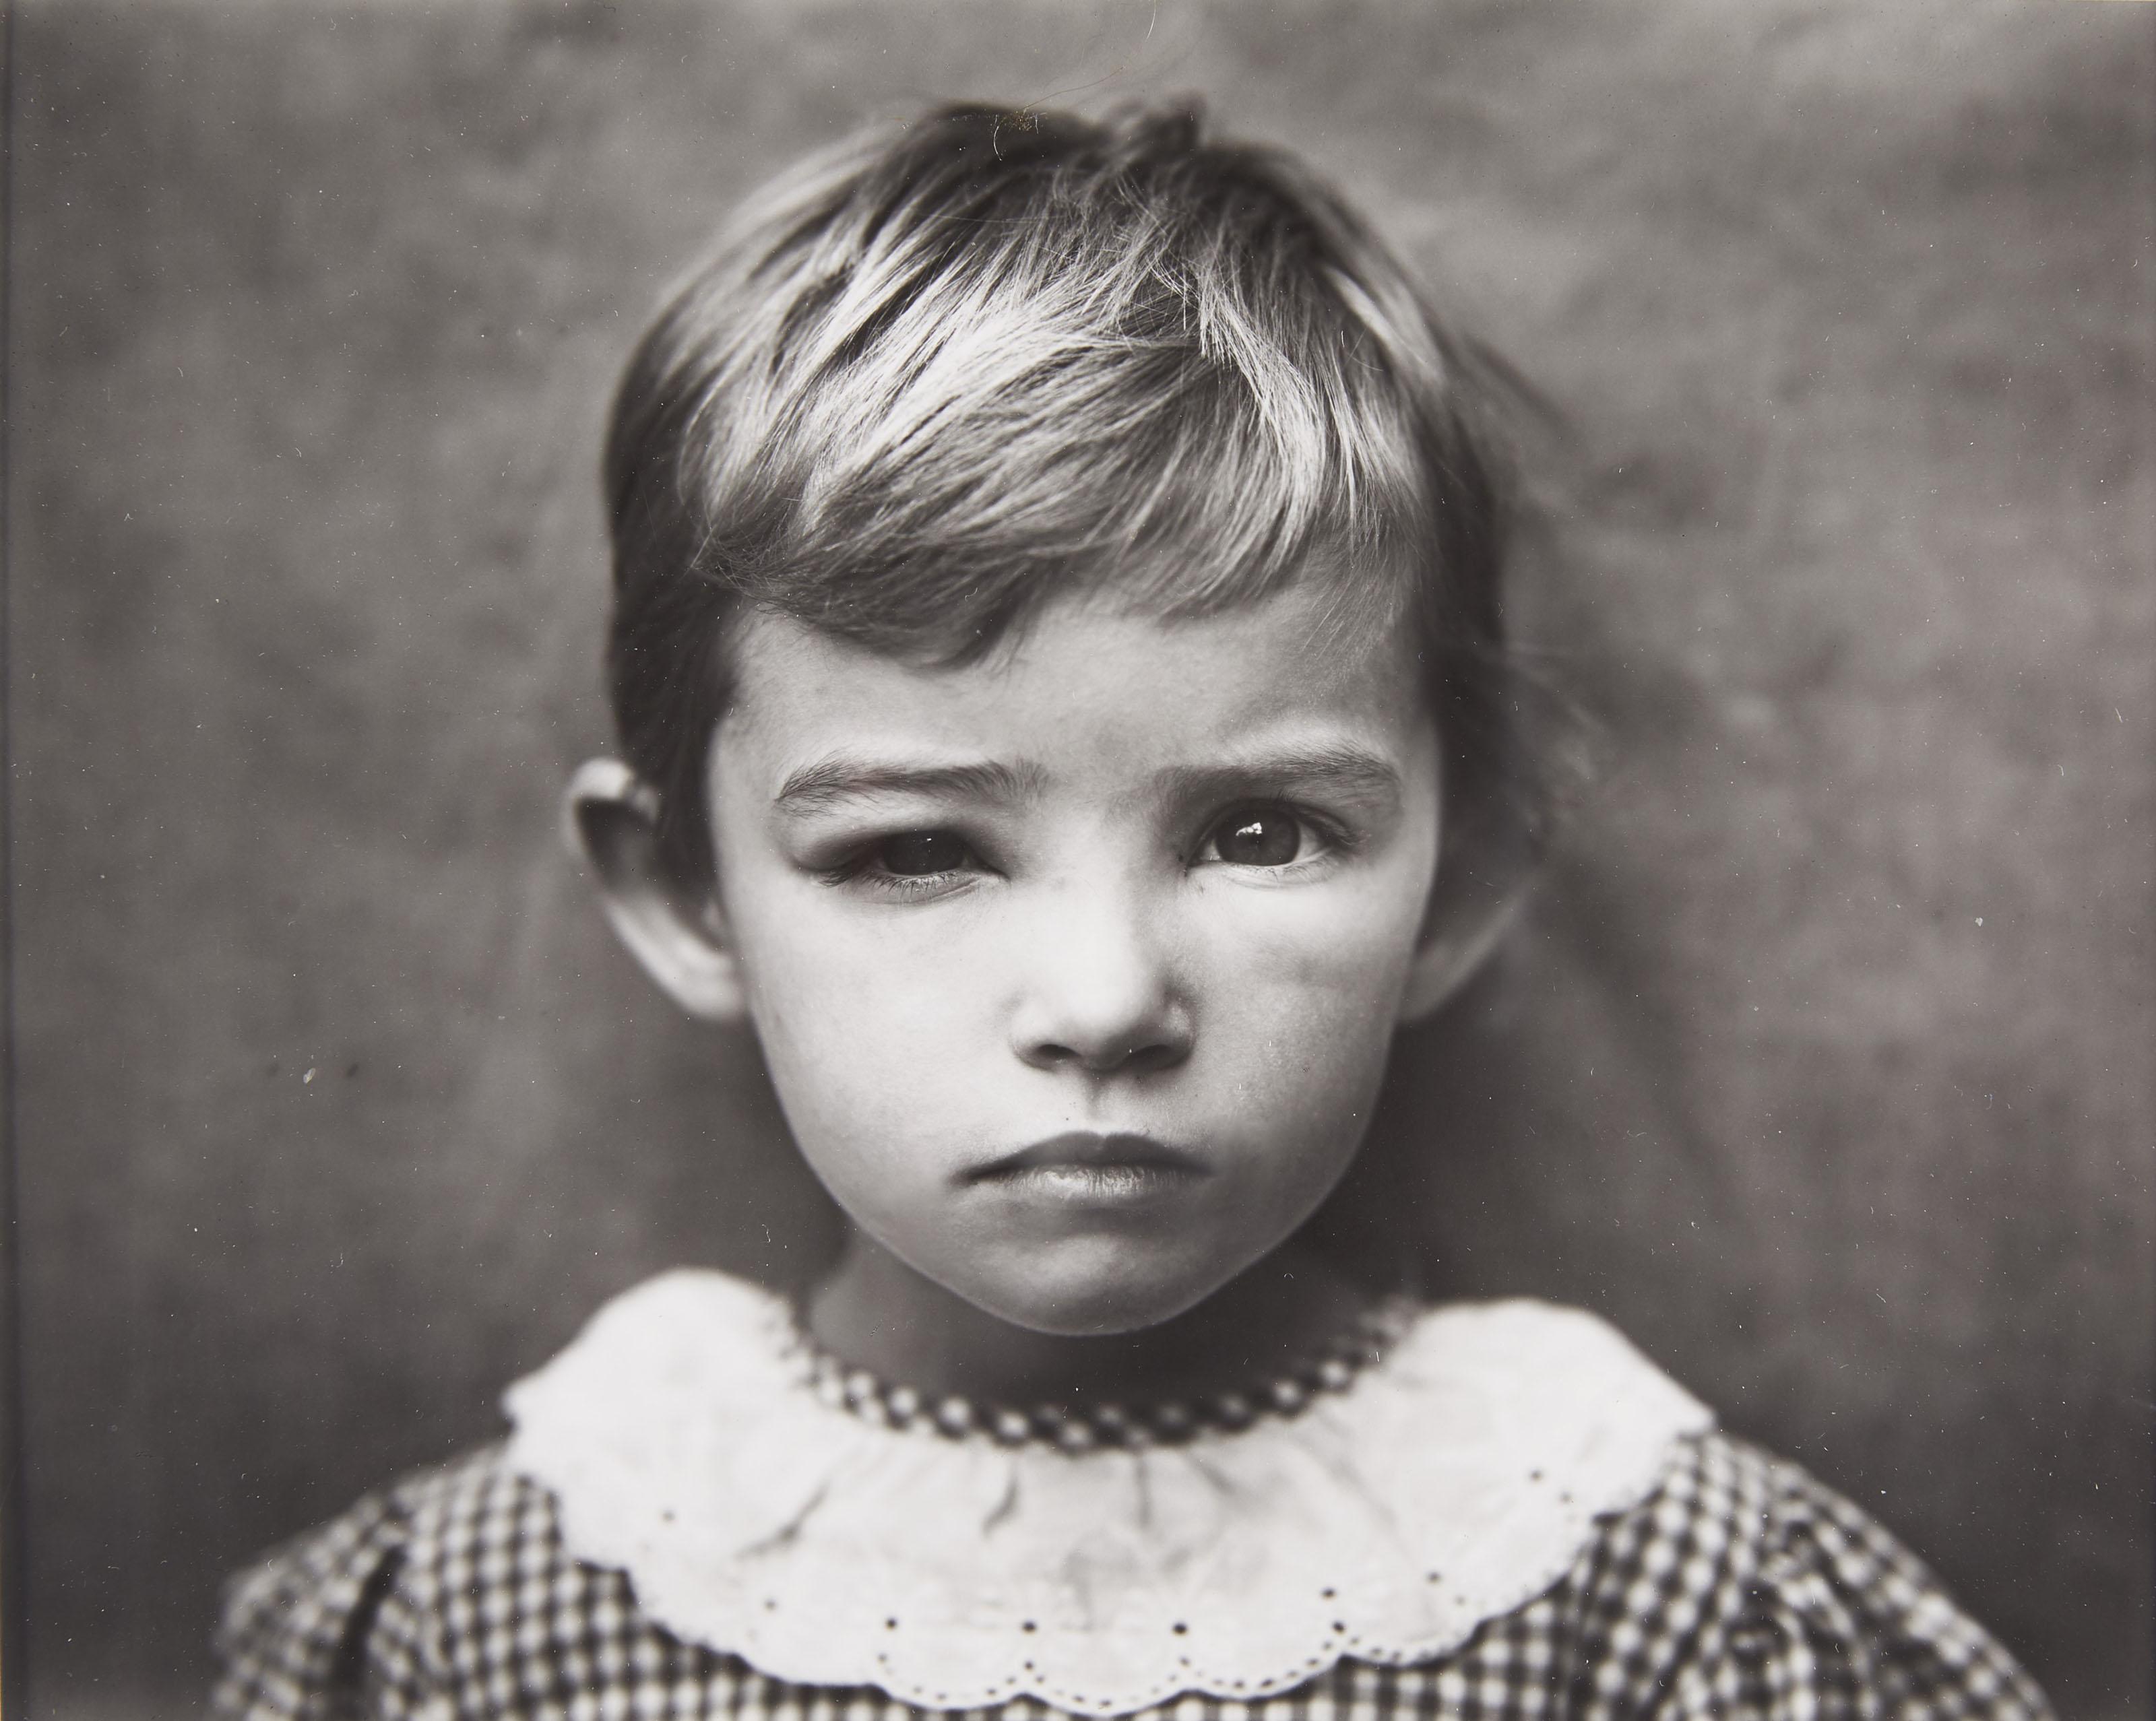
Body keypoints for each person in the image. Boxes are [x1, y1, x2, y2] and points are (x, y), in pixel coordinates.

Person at [210, 102, 2052, 1720]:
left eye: (1258, 829)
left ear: (1466, 879)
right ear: (684, 891)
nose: (1103, 1000)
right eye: (910, 848)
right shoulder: (493, 1614)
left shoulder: (1651, 1590)